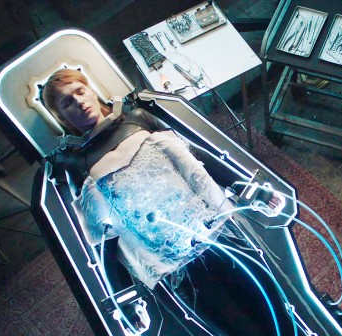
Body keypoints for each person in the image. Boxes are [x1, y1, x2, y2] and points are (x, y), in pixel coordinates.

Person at [42, 68, 237, 290]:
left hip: (213, 225)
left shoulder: (137, 118)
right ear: (62, 117)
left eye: (80, 91)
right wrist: (120, 292)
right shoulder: (76, 165)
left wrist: (241, 184)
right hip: (169, 261)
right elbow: (103, 237)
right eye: (67, 102)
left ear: (92, 91)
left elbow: (194, 161)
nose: (79, 102)